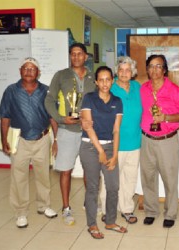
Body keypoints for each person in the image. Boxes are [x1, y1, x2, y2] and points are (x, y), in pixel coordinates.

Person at [0, 57, 58, 228]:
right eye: (26, 68)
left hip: (42, 139)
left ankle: (44, 206)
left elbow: (53, 117)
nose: (29, 71)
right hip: (20, 140)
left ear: (38, 72)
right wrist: (4, 141)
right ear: (20, 71)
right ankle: (21, 212)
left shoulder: (46, 91)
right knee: (19, 178)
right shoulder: (11, 91)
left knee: (43, 176)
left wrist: (56, 140)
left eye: (33, 69)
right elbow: (5, 117)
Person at [45, 43, 96, 225]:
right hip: (68, 130)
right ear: (70, 56)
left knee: (90, 170)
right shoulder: (61, 75)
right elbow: (49, 100)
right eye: (72, 54)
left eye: (79, 54)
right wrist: (60, 118)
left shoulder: (93, 76)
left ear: (85, 56)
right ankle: (66, 208)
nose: (76, 57)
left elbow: (99, 100)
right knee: (66, 170)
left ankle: (89, 203)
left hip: (89, 131)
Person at [140, 54, 179, 228]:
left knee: (170, 179)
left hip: (167, 141)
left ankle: (171, 213)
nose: (154, 69)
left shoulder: (175, 90)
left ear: (165, 69)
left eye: (158, 66)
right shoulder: (143, 89)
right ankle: (151, 211)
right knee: (148, 177)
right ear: (146, 69)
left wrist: (166, 117)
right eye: (151, 66)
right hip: (146, 140)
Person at [80, 66, 125, 239]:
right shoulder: (89, 99)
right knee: (93, 187)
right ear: (96, 82)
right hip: (90, 147)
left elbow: (116, 130)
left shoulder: (117, 101)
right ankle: (92, 224)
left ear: (112, 81)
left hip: (109, 146)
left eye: (108, 79)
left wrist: (114, 155)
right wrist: (100, 151)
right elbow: (88, 126)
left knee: (113, 186)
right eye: (101, 80)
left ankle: (111, 221)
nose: (105, 83)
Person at [99, 56, 142, 224]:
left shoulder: (137, 87)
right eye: (121, 70)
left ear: (133, 73)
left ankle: (126, 209)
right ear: (117, 71)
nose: (124, 73)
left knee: (129, 179)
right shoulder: (109, 88)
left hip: (135, 143)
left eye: (128, 70)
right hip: (114, 144)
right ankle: (107, 209)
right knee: (110, 180)